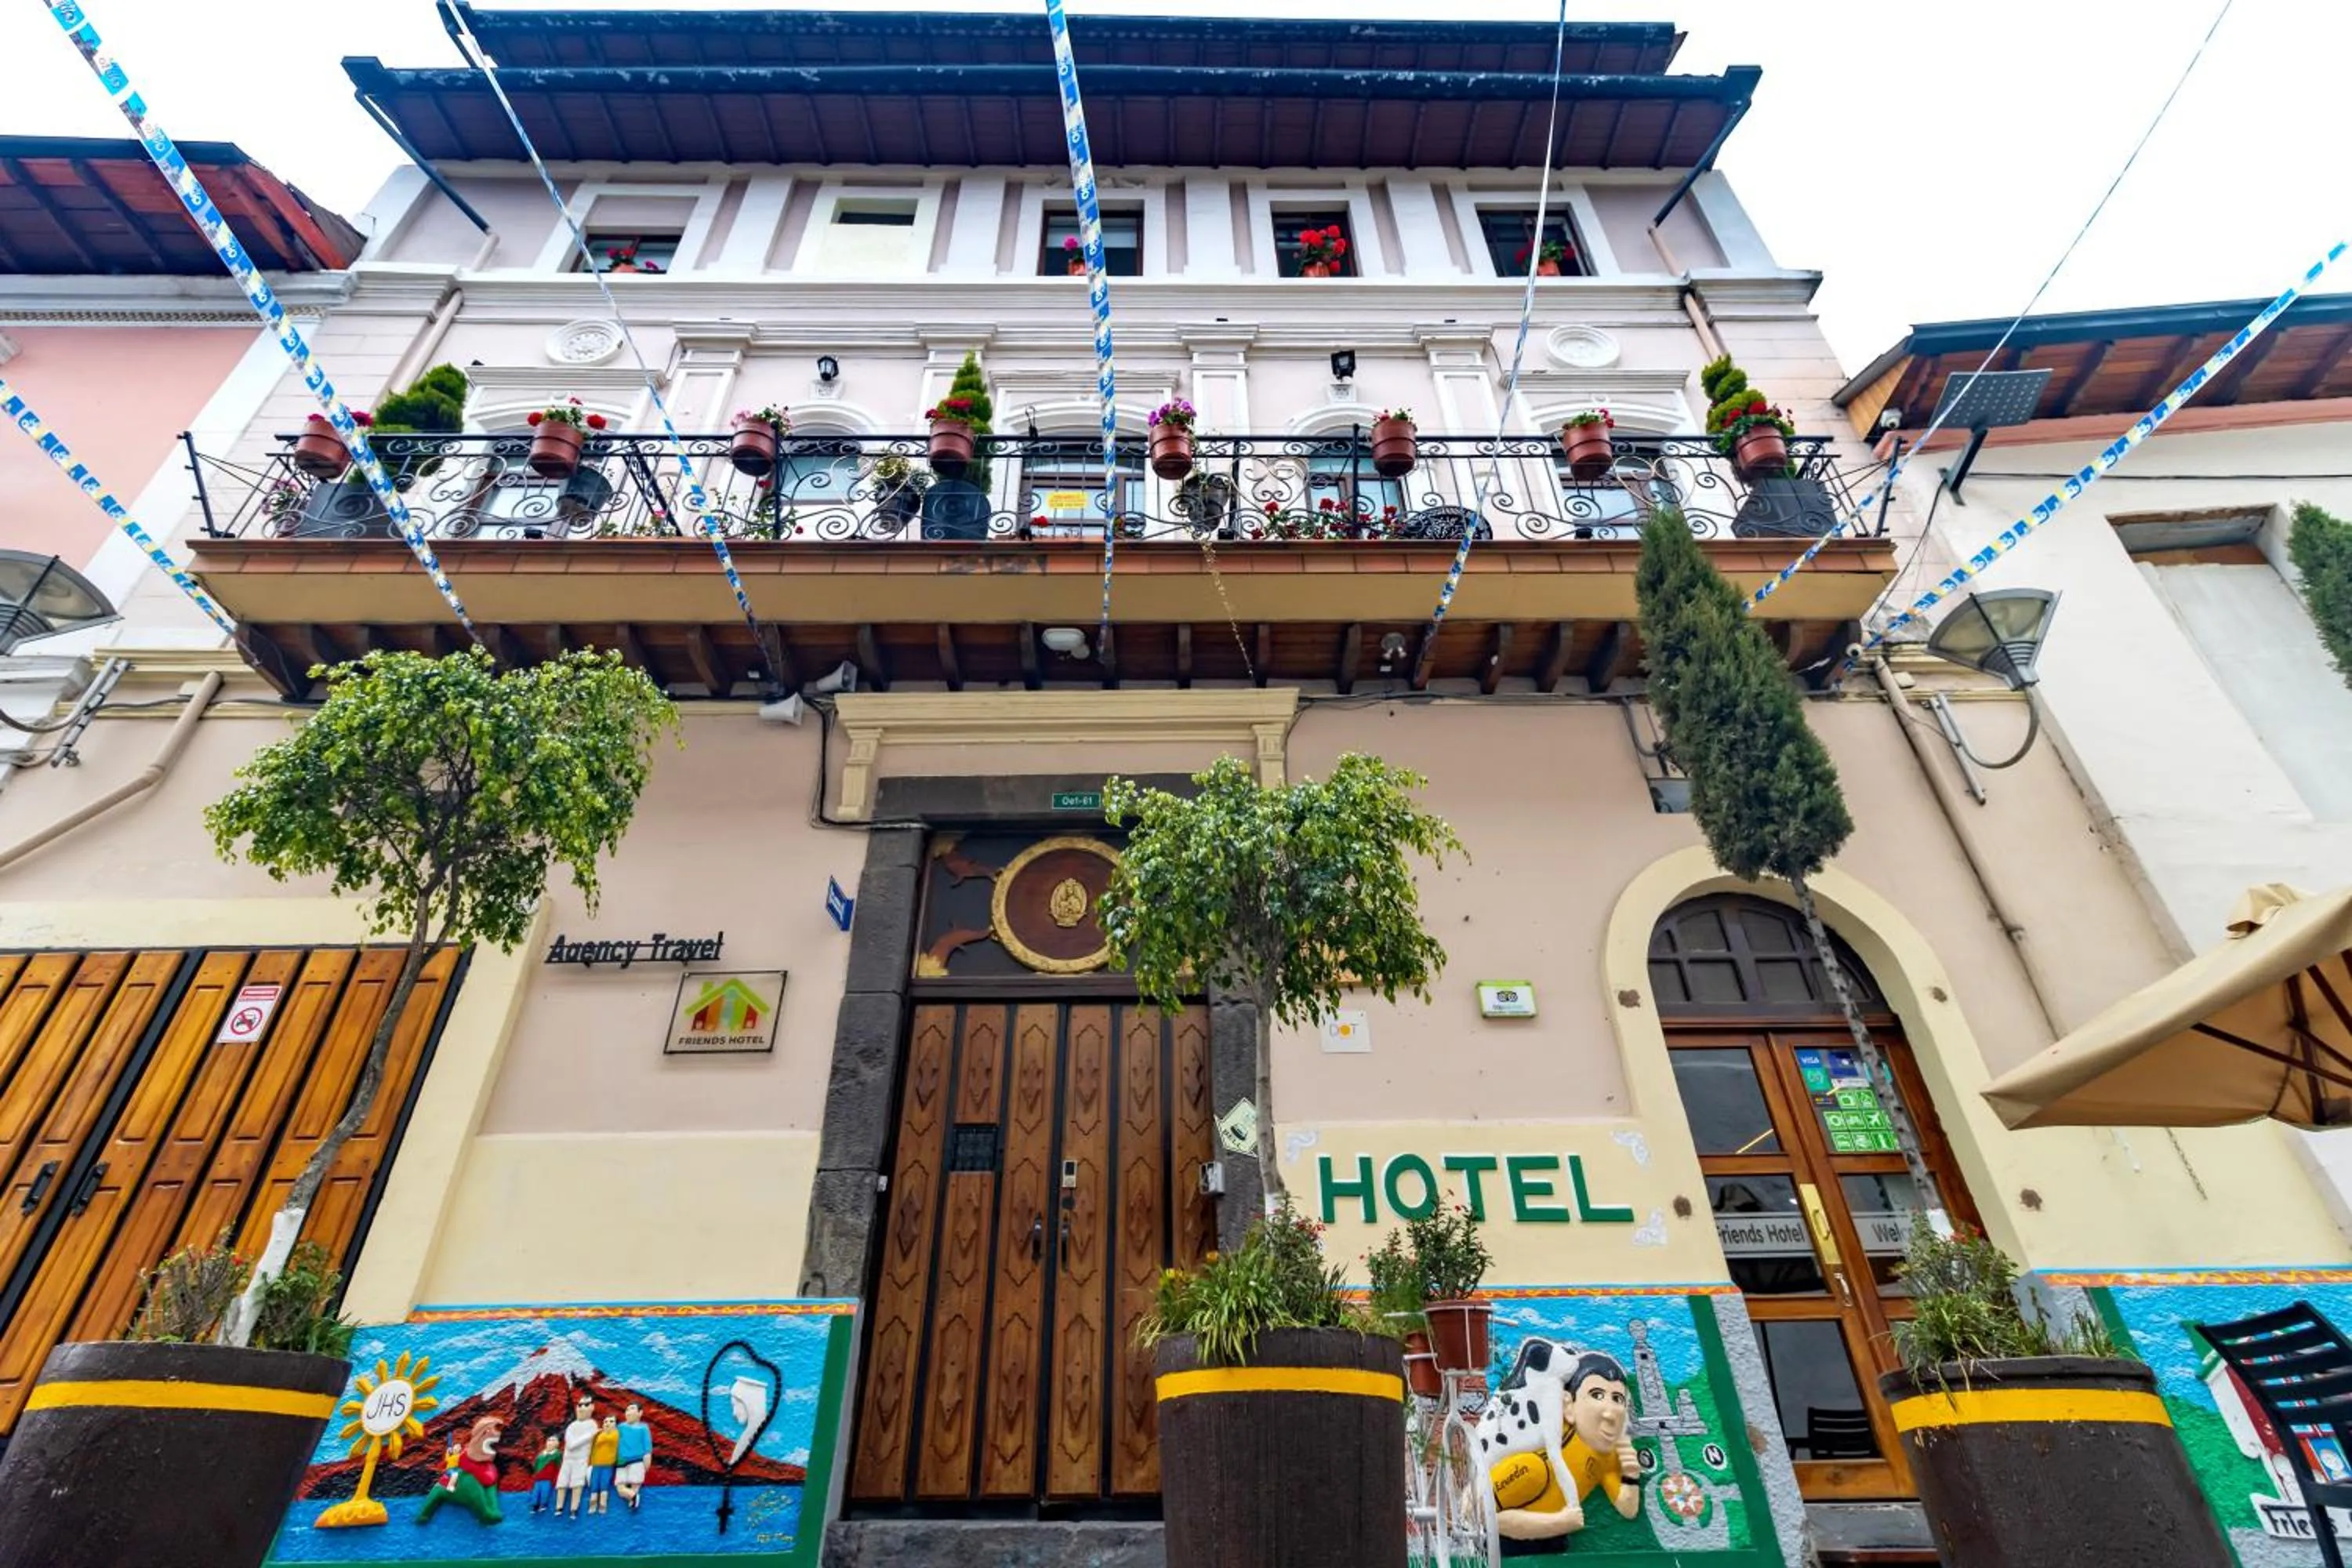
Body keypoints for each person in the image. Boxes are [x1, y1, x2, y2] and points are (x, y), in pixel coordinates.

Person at [416, 1417, 506, 1528]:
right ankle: (449, 1492)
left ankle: (491, 1510)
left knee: (488, 1484)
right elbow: (452, 1462)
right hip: (454, 1473)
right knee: (453, 1481)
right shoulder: (455, 1457)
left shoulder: (464, 1457)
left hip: (475, 1472)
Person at [557, 1395, 597, 1519]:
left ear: (592, 1407)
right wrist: (588, 1436)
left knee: (577, 1484)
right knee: (562, 1483)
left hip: (581, 1459)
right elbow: (571, 1444)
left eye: (586, 1405)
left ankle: (573, 1509)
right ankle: (559, 1507)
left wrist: (589, 1436)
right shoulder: (572, 1426)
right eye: (580, 1405)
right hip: (568, 1459)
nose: (582, 1408)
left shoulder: (592, 1424)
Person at [613, 1403, 655, 1510]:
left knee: (635, 1483)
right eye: (627, 1410)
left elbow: (647, 1445)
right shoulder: (620, 1427)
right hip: (621, 1461)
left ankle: (633, 1502)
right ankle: (634, 1497)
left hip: (637, 1461)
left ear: (640, 1413)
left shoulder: (643, 1428)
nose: (628, 1412)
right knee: (620, 1487)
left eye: (632, 1409)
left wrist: (647, 1457)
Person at [587, 1414, 622, 1515]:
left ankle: (603, 1505)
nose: (608, 1423)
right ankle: (592, 1504)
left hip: (608, 1464)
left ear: (616, 1424)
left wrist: (602, 1433)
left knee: (604, 1484)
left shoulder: (616, 1433)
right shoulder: (598, 1434)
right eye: (606, 1422)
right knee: (594, 1485)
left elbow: (610, 1440)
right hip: (596, 1464)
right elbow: (592, 1447)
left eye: (611, 1421)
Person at [528, 1435, 561, 1515]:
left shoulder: (557, 1454)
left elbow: (558, 1466)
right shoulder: (540, 1455)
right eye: (549, 1440)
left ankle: (543, 1504)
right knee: (536, 1492)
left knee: (545, 1491)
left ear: (557, 1444)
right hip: (538, 1478)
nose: (550, 1442)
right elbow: (536, 1466)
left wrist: (555, 1479)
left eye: (553, 1440)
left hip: (548, 1478)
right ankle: (535, 1505)